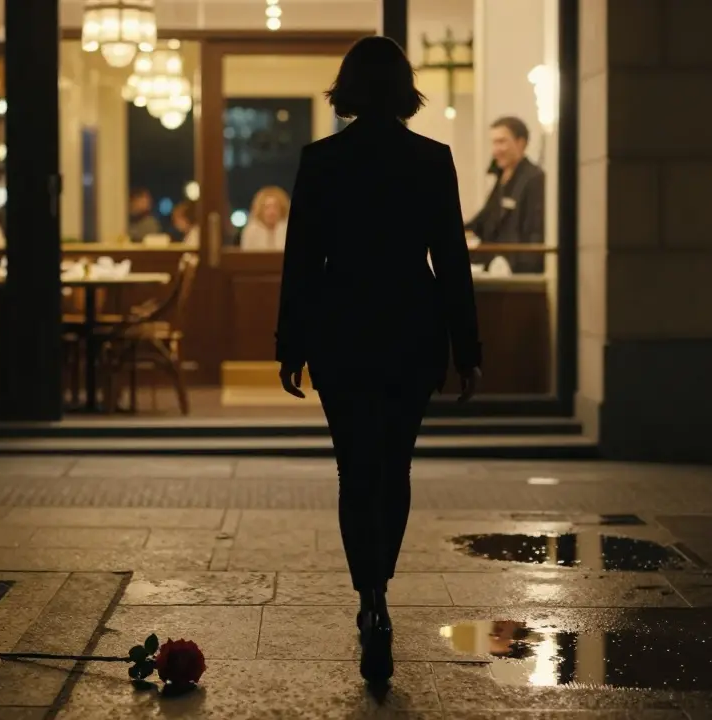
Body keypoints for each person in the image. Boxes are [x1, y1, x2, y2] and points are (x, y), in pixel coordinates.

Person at [274, 35, 481, 687]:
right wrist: (467, 348)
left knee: (354, 467)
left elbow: (302, 260)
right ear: (403, 90)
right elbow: (451, 259)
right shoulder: (432, 159)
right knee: (396, 463)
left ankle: (370, 597)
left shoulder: (322, 160)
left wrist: (291, 345)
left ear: (348, 89)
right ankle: (380, 589)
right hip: (412, 328)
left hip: (341, 329)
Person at [465, 116, 546, 273]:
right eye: (493, 143)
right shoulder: (501, 178)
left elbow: (534, 233)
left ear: (521, 143)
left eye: (501, 142)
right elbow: (483, 219)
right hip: (492, 263)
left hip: (515, 268)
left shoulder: (534, 179)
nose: (495, 150)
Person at [240, 186, 290, 251]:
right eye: (267, 207)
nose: (271, 212)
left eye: (275, 207)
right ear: (260, 209)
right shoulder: (251, 231)